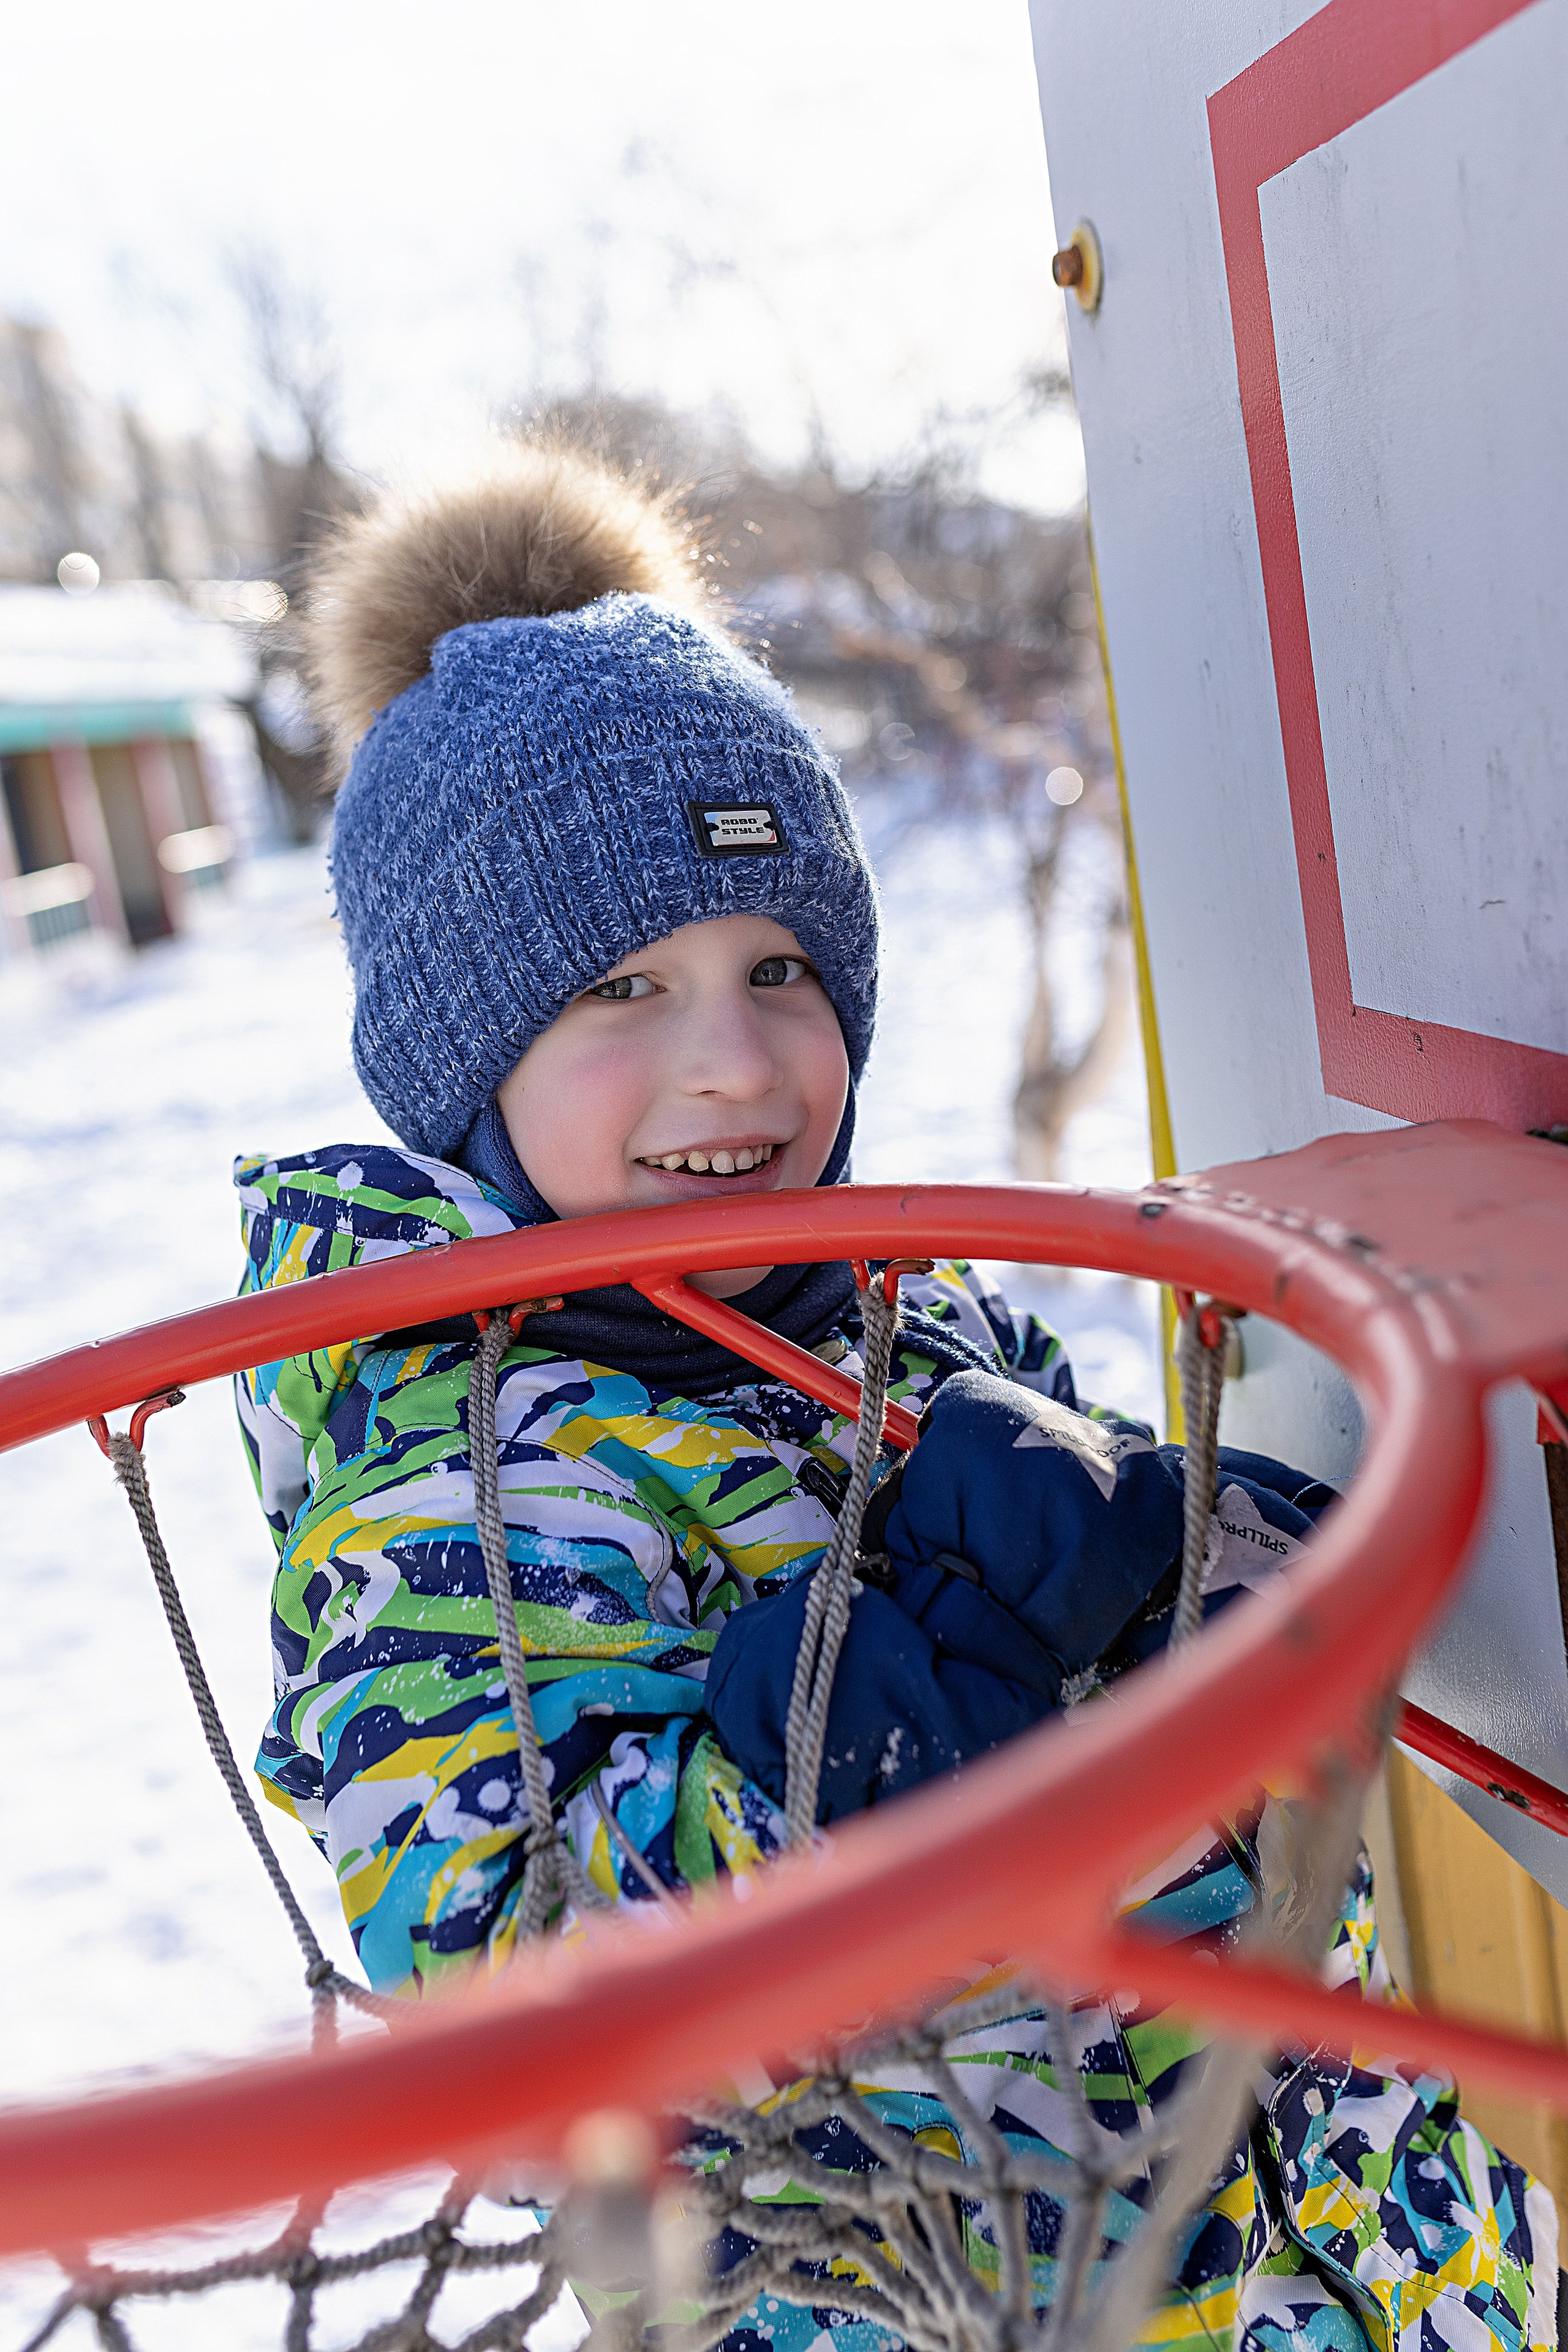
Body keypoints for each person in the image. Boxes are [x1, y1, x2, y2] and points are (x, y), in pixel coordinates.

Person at [235, 443, 1554, 2350]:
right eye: (622, 989)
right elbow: (518, 2002)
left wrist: (1202, 1577)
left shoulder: (892, 1307)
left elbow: (1091, 1576)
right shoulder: (441, 1481)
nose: (736, 1064)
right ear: (463, 1063)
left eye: (783, 966)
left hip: (1364, 2235)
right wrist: (930, 1658)